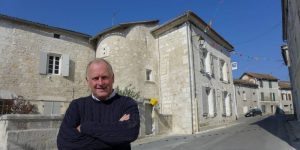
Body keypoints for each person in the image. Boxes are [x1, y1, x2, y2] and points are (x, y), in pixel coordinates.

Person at [57, 58, 140, 150]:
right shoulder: (77, 106)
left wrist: (85, 127)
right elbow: (64, 143)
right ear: (87, 81)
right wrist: (116, 130)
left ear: (112, 78)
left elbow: (130, 133)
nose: (100, 83)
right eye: (95, 78)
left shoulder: (127, 103)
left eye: (104, 77)